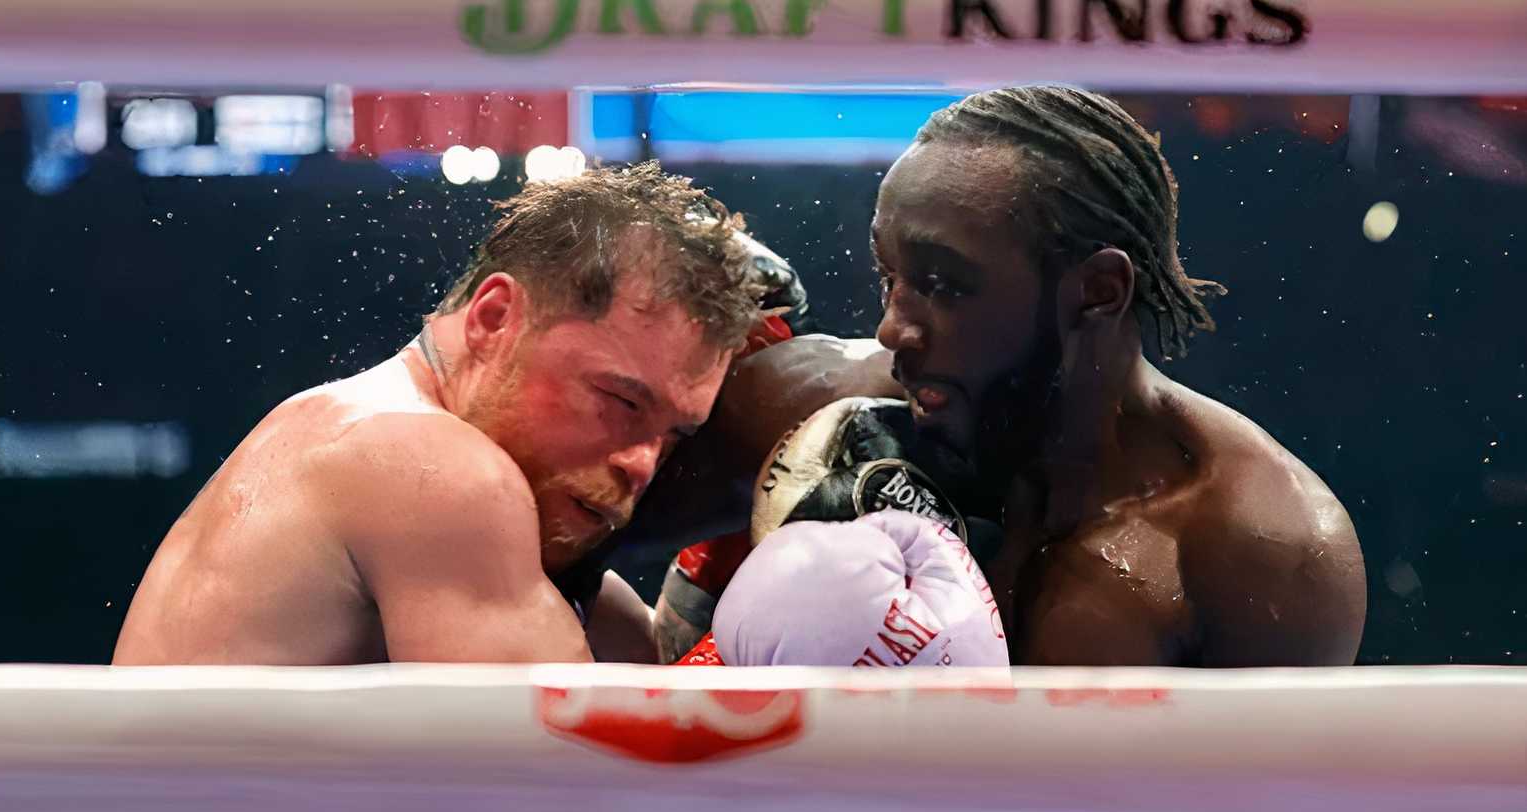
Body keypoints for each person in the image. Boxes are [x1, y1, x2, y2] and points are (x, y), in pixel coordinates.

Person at [653, 86, 1367, 667]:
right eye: (889, 278)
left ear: (1097, 292)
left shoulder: (1258, 555)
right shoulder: (815, 410)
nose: (893, 328)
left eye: (944, 284)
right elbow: (584, 553)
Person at [113, 162, 768, 666]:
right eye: (621, 402)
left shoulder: (350, 435)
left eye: (673, 435)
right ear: (495, 318)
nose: (643, 463)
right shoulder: (430, 468)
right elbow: (566, 778)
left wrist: (725, 578)